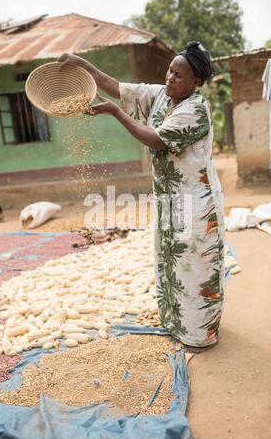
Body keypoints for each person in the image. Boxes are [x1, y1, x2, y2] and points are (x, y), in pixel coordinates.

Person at [58, 41, 224, 352]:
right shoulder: (162, 96)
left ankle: (200, 334)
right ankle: (177, 325)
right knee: (172, 263)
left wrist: (114, 112)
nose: (170, 78)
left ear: (195, 82)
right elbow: (118, 87)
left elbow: (157, 140)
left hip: (195, 204)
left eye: (178, 75)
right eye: (170, 71)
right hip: (169, 200)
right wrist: (81, 63)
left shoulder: (196, 110)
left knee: (195, 267)